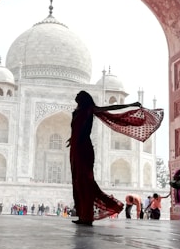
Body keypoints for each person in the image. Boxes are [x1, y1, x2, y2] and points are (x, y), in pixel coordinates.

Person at [67, 90, 164, 226]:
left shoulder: (90, 109)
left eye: (79, 95)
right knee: (78, 181)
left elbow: (112, 108)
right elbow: (76, 128)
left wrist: (131, 105)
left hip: (84, 148)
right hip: (76, 148)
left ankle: (89, 215)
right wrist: (71, 139)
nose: (76, 96)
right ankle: (83, 214)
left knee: (86, 181)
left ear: (84, 98)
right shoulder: (77, 110)